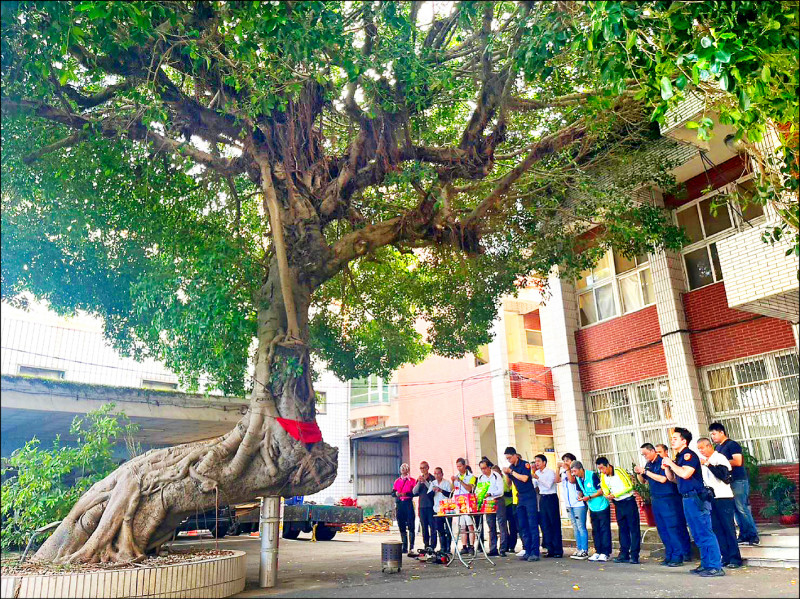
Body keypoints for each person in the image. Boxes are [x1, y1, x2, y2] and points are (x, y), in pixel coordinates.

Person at [662, 427, 725, 577]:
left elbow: (685, 473)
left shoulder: (689, 455)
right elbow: (673, 479)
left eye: (675, 438)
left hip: (696, 497)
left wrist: (671, 463)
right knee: (696, 533)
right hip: (686, 498)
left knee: (705, 532)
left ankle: (715, 566)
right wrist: (667, 467)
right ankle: (705, 564)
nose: (672, 441)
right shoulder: (679, 457)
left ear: (684, 440)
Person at [634, 443, 692, 566]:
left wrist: (646, 471)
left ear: (652, 451)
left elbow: (663, 479)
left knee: (672, 527)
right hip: (656, 499)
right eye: (643, 455)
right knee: (662, 528)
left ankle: (678, 555)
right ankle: (669, 554)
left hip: (668, 498)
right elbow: (643, 481)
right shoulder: (649, 464)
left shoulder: (663, 461)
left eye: (646, 454)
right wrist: (640, 473)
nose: (645, 457)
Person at [709, 422, 760, 546]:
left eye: (714, 434)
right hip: (729, 482)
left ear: (722, 432)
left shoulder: (732, 444)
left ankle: (753, 535)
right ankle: (744, 534)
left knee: (742, 508)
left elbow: (738, 461)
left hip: (739, 480)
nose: (713, 437)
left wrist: (720, 462)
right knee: (736, 510)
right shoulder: (718, 448)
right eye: (711, 435)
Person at [697, 437, 744, 569]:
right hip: (711, 498)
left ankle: (735, 558)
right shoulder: (704, 462)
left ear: (709, 446)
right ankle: (725, 556)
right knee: (717, 529)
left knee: (728, 528)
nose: (701, 451)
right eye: (699, 449)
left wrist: (708, 464)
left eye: (702, 448)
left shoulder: (720, 458)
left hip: (723, 497)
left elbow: (724, 476)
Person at [596, 456, 641, 564]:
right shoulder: (603, 476)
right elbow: (604, 487)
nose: (602, 471)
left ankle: (634, 555)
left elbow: (629, 486)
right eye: (600, 469)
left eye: (603, 468)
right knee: (622, 529)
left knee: (633, 529)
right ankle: (623, 553)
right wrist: (607, 494)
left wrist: (616, 494)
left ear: (608, 465)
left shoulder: (618, 471)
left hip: (628, 501)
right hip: (618, 504)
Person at [502, 447, 540, 562]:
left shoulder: (525, 465)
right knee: (523, 525)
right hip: (520, 497)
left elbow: (524, 478)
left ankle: (535, 552)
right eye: (507, 459)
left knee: (532, 524)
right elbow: (509, 484)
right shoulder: (511, 468)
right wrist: (507, 475)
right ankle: (527, 550)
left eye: (509, 458)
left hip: (529, 496)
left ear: (515, 456)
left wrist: (512, 472)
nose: (508, 460)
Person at [571, 460, 612, 562]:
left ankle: (605, 553)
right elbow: (580, 490)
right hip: (592, 507)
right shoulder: (578, 478)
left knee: (604, 529)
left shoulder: (592, 475)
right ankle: (598, 551)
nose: (574, 474)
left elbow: (600, 491)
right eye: (573, 472)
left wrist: (589, 497)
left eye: (575, 471)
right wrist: (580, 496)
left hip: (602, 506)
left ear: (581, 469)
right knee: (595, 530)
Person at [557, 453, 589, 560]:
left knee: (581, 526)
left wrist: (567, 469)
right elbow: (557, 480)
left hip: (578, 503)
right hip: (568, 503)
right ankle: (579, 548)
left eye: (567, 460)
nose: (565, 462)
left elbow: (572, 480)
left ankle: (584, 549)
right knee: (575, 527)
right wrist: (558, 468)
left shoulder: (575, 473)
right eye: (564, 460)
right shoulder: (564, 472)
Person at [532, 454, 563, 558]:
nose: (536, 463)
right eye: (535, 461)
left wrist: (538, 478)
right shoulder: (536, 472)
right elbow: (534, 486)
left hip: (551, 497)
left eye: (538, 461)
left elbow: (549, 485)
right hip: (543, 498)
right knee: (545, 524)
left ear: (544, 462)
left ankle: (558, 550)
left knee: (554, 523)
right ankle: (550, 549)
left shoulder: (550, 472)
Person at [478, 458, 508, 557]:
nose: (483, 470)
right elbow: (479, 490)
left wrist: (490, 493)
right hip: (487, 502)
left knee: (501, 524)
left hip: (497, 500)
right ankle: (493, 548)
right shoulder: (481, 478)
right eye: (481, 468)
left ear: (489, 467)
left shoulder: (496, 476)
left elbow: (500, 491)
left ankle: (503, 548)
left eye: (485, 468)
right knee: (491, 526)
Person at [451, 457, 477, 555]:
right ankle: (464, 546)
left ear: (464, 466)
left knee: (470, 525)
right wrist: (453, 481)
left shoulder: (471, 476)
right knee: (462, 526)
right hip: (459, 502)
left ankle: (471, 546)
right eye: (457, 466)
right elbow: (453, 489)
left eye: (460, 466)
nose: (459, 468)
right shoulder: (457, 476)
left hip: (468, 502)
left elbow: (469, 488)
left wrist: (461, 481)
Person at [392, 463, 417, 556]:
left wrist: (406, 494)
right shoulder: (397, 481)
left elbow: (414, 493)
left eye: (405, 468)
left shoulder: (412, 481)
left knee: (411, 525)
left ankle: (411, 547)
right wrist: (397, 494)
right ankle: (404, 546)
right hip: (400, 504)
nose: (403, 469)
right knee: (401, 525)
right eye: (402, 468)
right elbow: (392, 493)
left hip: (408, 503)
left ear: (408, 470)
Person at [413, 461, 436, 551]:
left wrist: (425, 482)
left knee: (433, 527)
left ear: (428, 468)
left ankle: (433, 546)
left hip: (431, 506)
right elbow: (414, 492)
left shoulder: (432, 478)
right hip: (422, 506)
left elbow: (432, 489)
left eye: (424, 468)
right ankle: (426, 545)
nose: (423, 470)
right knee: (424, 527)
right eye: (421, 468)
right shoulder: (419, 479)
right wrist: (419, 482)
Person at [496, 464, 517, 554]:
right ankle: (506, 544)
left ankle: (512, 545)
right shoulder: (494, 481)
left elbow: (510, 490)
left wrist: (501, 493)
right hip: (500, 505)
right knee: (503, 526)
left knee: (512, 525)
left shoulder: (505, 479)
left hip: (509, 504)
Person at [431, 466, 453, 552]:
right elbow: (429, 495)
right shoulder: (433, 483)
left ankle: (448, 548)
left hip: (447, 509)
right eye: (435, 473)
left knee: (448, 529)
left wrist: (441, 490)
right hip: (437, 509)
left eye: (438, 473)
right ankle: (442, 547)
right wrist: (432, 491)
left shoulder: (447, 483)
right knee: (440, 529)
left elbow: (450, 495)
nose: (436, 475)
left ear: (442, 474)